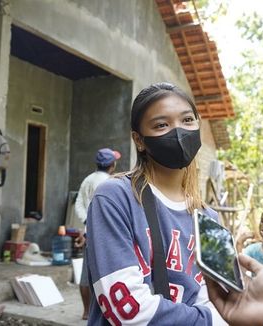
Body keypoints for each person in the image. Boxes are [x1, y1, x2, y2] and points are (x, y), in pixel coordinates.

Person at [85, 82, 225, 325]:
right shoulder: (115, 198)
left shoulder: (209, 218)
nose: (179, 132)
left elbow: (219, 300)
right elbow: (128, 309)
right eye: (162, 125)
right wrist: (208, 320)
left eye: (188, 120)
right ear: (139, 140)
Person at [73, 147, 121, 320]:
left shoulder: (88, 179)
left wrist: (87, 221)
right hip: (104, 233)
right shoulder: (111, 183)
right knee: (104, 272)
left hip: (89, 231)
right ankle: (101, 311)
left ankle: (86, 311)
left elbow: (78, 203)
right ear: (111, 165)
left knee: (87, 273)